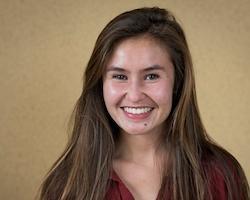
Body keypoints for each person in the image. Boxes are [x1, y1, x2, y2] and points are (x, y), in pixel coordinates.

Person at [38, 7, 250, 200]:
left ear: (178, 81)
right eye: (120, 77)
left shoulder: (221, 174)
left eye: (151, 76)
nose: (135, 95)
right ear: (99, 84)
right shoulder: (66, 184)